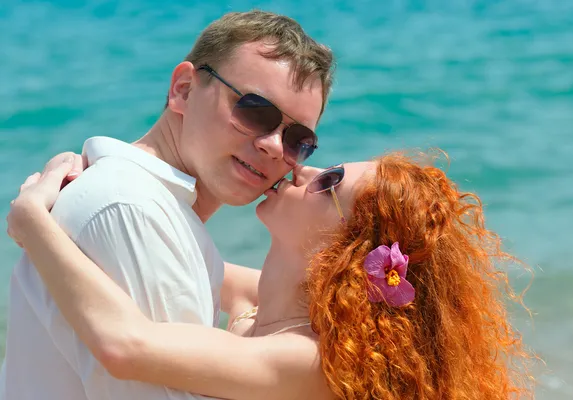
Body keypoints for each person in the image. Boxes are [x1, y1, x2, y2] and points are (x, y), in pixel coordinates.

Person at [7, 151, 535, 399]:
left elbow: (123, 347)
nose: (301, 171)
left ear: (347, 248)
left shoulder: (307, 358)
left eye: (328, 182)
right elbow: (181, 253)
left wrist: (31, 219)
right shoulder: (268, 310)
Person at [0, 10, 334, 400]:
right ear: (184, 89)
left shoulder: (156, 211)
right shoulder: (133, 210)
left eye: (297, 139)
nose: (274, 146)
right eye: (255, 111)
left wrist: (30, 219)